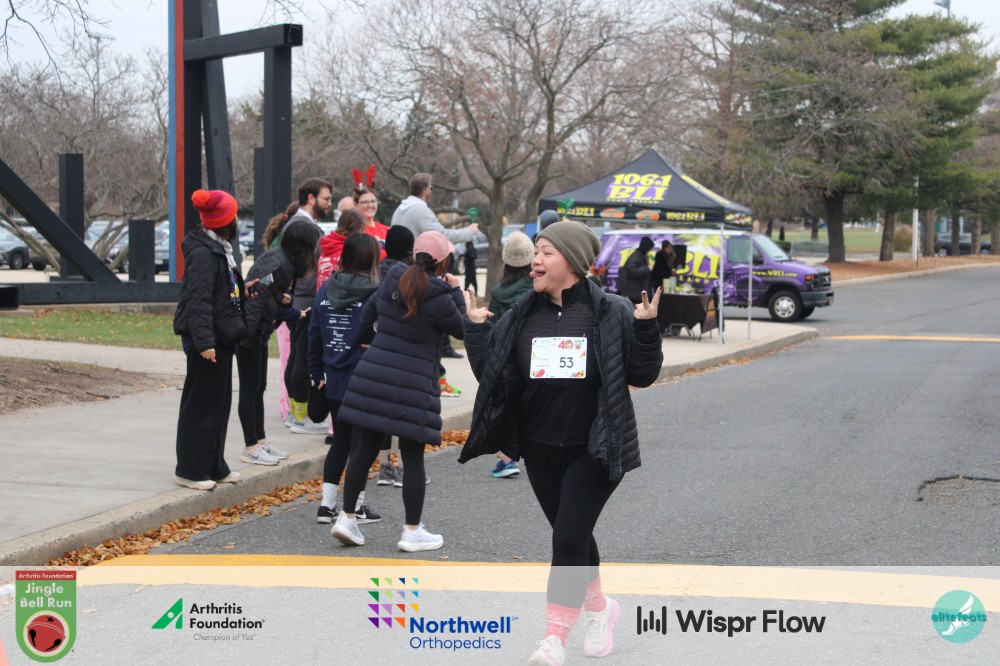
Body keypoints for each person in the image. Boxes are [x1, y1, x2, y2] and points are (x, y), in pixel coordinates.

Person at [459, 221, 663, 664]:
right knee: (574, 535)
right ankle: (600, 610)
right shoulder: (520, 314)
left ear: (571, 262)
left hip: (596, 446)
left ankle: (554, 640)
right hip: (539, 449)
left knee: (568, 538)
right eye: (536, 251)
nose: (535, 260)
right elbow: (492, 376)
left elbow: (642, 374)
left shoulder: (611, 310)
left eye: (546, 252)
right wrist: (475, 330)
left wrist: (647, 328)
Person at [332, 231, 466, 552]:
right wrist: (457, 290)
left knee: (363, 449)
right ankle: (412, 531)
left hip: (375, 373)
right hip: (414, 383)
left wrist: (377, 342)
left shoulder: (392, 279)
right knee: (413, 457)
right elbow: (462, 328)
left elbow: (366, 319)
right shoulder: (441, 297)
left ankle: (347, 518)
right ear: (443, 262)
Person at [172, 189, 248, 491]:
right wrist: (204, 343)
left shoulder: (218, 248)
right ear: (225, 221)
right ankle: (190, 470)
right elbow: (198, 300)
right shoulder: (204, 253)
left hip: (221, 336)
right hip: (207, 340)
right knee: (201, 406)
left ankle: (214, 465)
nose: (237, 219)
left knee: (219, 405)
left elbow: (217, 292)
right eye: (234, 215)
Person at [309, 233, 384, 525]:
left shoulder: (325, 289)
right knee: (361, 446)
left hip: (334, 379)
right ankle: (357, 506)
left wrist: (317, 373)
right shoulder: (376, 292)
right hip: (366, 377)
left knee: (340, 441)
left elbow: (314, 335)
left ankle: (326, 506)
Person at [236, 220, 321, 466]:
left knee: (259, 387)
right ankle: (251, 446)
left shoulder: (282, 262)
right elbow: (257, 295)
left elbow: (269, 295)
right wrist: (291, 311)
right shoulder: (278, 264)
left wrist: (287, 303)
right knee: (250, 390)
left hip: (259, 332)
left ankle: (260, 441)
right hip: (250, 334)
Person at [482, 229, 535, 480]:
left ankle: (506, 458)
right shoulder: (538, 288)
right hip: (535, 352)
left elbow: (492, 327)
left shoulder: (498, 292)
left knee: (507, 406)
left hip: (507, 355)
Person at [285, 178, 334, 435]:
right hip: (304, 299)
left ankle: (295, 413)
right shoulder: (304, 226)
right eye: (326, 198)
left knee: (297, 354)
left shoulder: (297, 223)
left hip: (297, 298)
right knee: (302, 356)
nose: (329, 204)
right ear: (311, 198)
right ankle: (301, 417)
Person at [262, 201, 299, 425]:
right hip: (281, 305)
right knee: (287, 356)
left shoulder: (280, 240)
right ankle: (286, 407)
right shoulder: (284, 245)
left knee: (286, 356)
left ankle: (285, 405)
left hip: (280, 304)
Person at [391, 172, 479, 244]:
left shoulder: (399, 210)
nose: (431, 191)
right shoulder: (422, 211)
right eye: (431, 188)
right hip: (415, 259)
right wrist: (469, 231)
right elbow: (440, 236)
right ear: (426, 191)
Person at [317, 210, 366, 290]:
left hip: (321, 295)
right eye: (363, 230)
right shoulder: (350, 250)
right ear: (359, 230)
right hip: (339, 296)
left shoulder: (326, 245)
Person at [616, 235, 654, 305]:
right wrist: (647, 268)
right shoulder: (637, 256)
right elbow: (631, 271)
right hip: (634, 292)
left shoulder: (639, 255)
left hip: (635, 292)